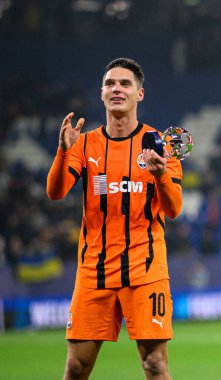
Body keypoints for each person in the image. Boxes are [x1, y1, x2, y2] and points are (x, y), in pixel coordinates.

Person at [47, 57, 183, 380]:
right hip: (94, 270)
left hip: (145, 269)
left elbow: (174, 209)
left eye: (125, 83)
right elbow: (55, 192)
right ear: (102, 94)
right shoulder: (85, 144)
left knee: (155, 365)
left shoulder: (160, 145)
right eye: (110, 84)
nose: (116, 89)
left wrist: (161, 175)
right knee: (76, 366)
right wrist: (64, 151)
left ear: (140, 94)